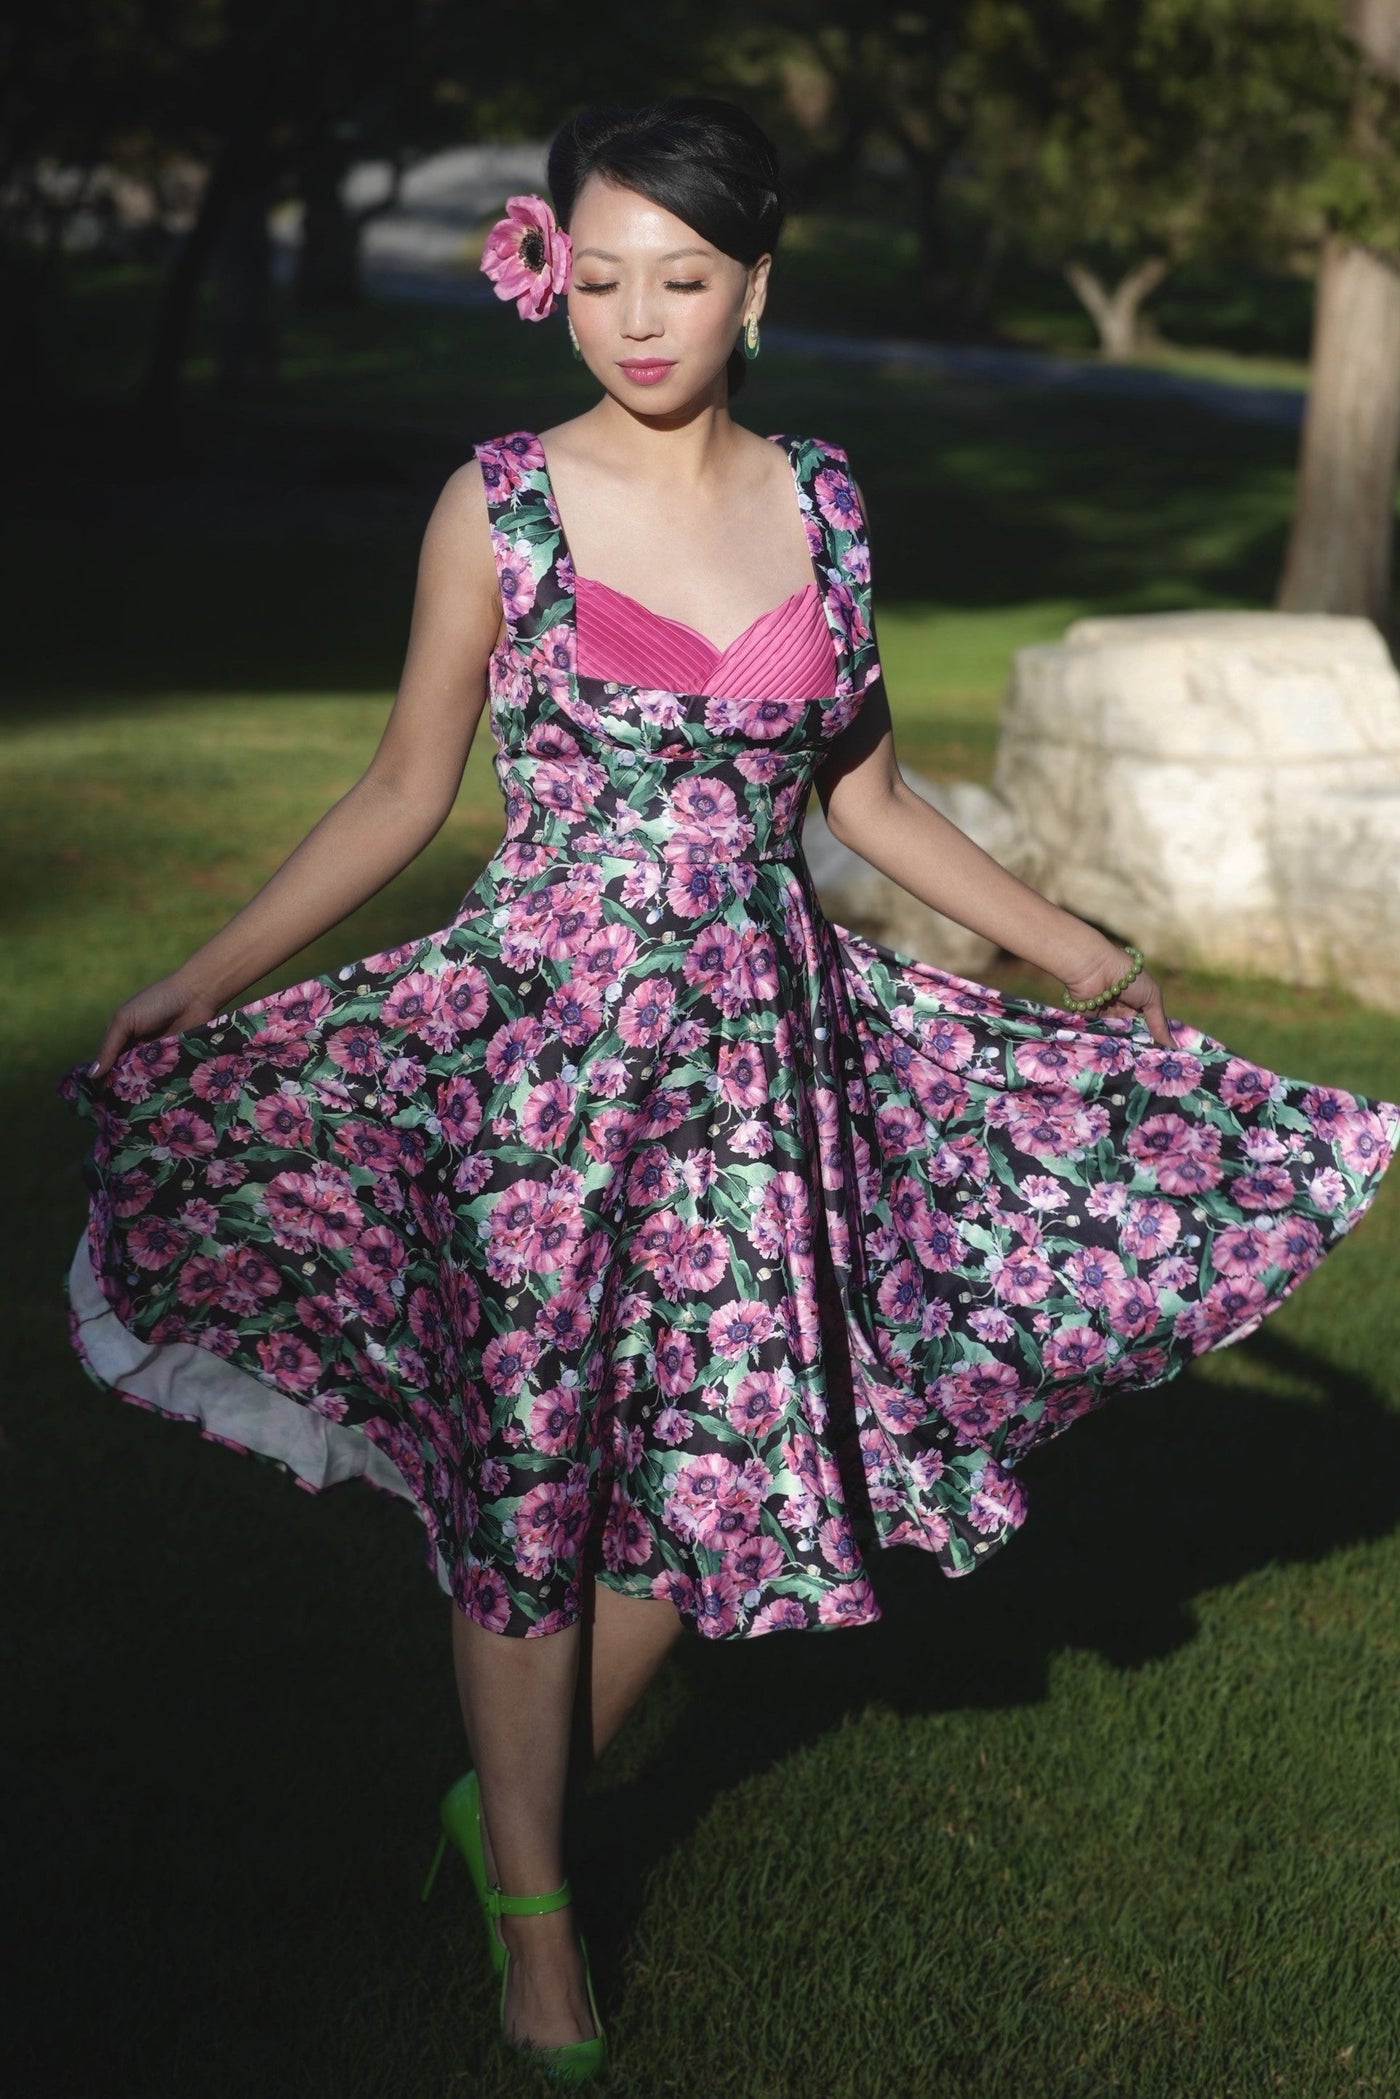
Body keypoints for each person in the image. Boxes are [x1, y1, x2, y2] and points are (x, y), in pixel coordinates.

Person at [60, 96, 1398, 2086]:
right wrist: (196, 979)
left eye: (678, 278)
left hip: (763, 1070)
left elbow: (859, 793)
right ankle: (534, 1904)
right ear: (557, 283)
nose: (637, 318)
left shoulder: (829, 506)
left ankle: (496, 1800)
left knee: (726, 1472)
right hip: (536, 1065)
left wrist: (1061, 942)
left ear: (753, 285)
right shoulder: (496, 504)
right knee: (531, 1476)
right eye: (598, 279)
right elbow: (401, 789)